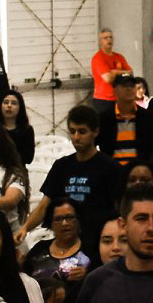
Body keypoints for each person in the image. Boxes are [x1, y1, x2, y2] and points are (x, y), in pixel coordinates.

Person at [18, 106, 116, 252]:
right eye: (72, 131)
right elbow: (44, 206)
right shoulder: (61, 166)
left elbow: (117, 209)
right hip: (66, 241)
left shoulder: (109, 167)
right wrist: (25, 228)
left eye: (82, 131)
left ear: (95, 132)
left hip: (97, 241)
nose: (76, 137)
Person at [89, 29, 132, 114]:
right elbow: (108, 79)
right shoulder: (98, 58)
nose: (109, 40)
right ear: (100, 41)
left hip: (119, 99)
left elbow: (130, 74)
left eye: (111, 37)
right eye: (105, 38)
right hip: (104, 100)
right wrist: (122, 73)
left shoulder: (119, 57)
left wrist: (115, 72)